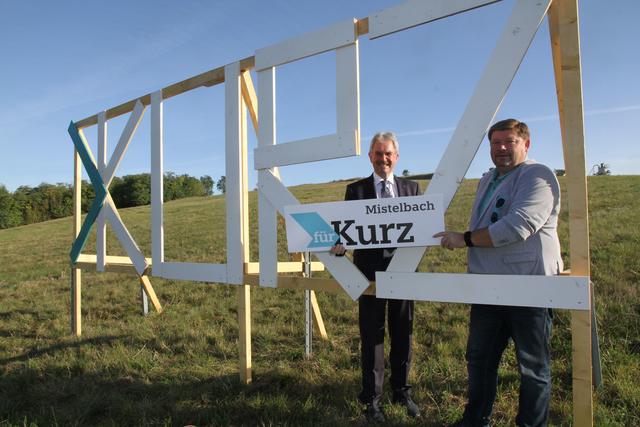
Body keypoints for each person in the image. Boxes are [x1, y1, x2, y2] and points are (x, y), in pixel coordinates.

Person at [434, 119, 563, 427]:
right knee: (479, 359)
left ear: (526, 145)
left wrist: (464, 239)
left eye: (509, 142)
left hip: (528, 288)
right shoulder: (488, 178)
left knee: (532, 368)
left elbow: (517, 226)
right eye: (495, 143)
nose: (501, 148)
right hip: (487, 289)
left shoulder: (538, 176)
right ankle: (475, 419)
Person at [330, 132, 421, 423]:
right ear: (370, 156)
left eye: (388, 154)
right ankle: (371, 398)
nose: (383, 159)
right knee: (372, 336)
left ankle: (402, 391)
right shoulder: (354, 191)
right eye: (378, 154)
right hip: (368, 273)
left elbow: (421, 227)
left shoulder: (412, 188)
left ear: (397, 157)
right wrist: (339, 242)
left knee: (402, 331)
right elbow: (345, 230)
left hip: (404, 272)